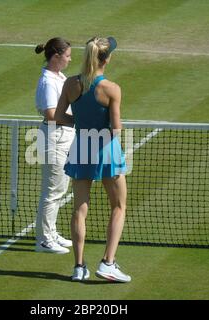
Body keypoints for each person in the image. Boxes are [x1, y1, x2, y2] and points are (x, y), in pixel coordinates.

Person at [55, 37, 131, 282]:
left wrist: (83, 124)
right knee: (119, 206)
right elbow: (116, 129)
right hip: (107, 149)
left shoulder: (70, 84)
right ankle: (108, 262)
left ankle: (79, 267)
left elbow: (58, 117)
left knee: (79, 208)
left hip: (81, 146)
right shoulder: (111, 88)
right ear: (106, 59)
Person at [34, 37, 76, 254]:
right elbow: (51, 115)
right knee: (52, 192)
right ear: (56, 56)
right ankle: (43, 240)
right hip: (54, 139)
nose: (70, 60)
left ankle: (51, 233)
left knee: (60, 189)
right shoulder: (48, 81)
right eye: (67, 56)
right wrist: (76, 120)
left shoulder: (58, 76)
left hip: (63, 137)